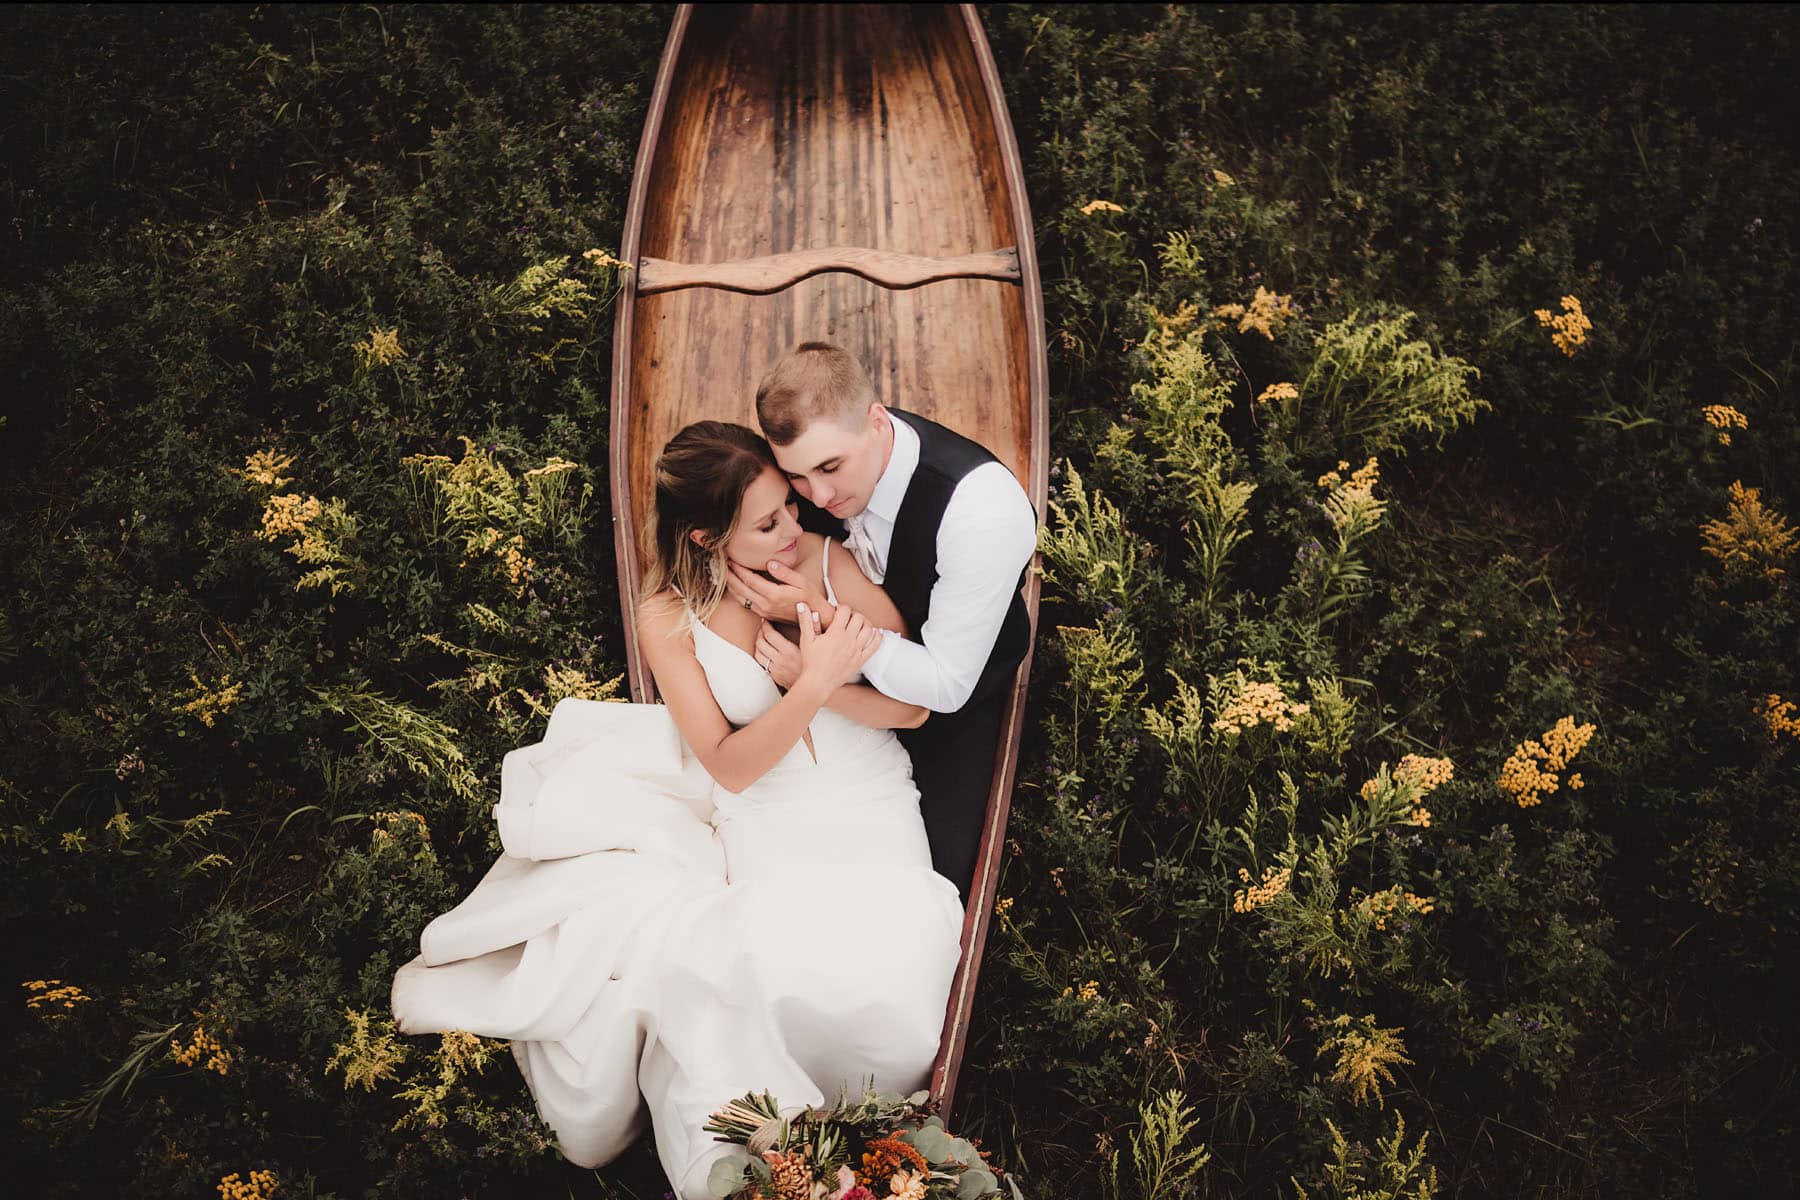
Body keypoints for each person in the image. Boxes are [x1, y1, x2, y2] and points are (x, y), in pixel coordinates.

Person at [390, 421, 963, 1198]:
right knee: (755, 972)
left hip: (866, 804)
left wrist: (815, 620)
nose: (793, 529)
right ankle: (785, 1168)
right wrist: (813, 684)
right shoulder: (667, 617)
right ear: (704, 536)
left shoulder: (827, 562)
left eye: (789, 508)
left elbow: (915, 712)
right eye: (767, 524)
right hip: (767, 818)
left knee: (886, 987)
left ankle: (824, 1160)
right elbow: (727, 767)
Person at [727, 342, 1038, 902]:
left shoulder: (981, 511)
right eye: (797, 478)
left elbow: (944, 685)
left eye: (830, 467)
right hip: (824, 692)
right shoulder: (814, 474)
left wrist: (823, 625)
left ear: (876, 420)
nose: (818, 496)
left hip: (954, 705)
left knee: (928, 889)